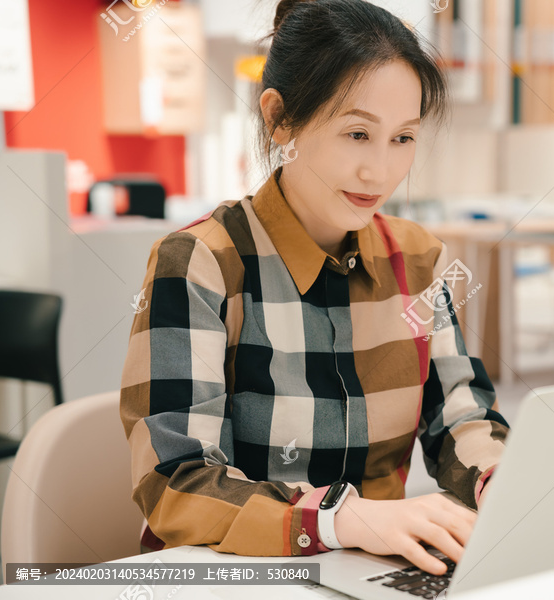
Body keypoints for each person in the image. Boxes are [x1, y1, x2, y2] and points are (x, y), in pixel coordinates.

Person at [119, 0, 509, 577]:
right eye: (357, 133)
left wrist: (497, 484)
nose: (379, 172)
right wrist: (337, 517)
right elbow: (176, 483)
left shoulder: (420, 262)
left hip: (374, 573)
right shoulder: (201, 263)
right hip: (238, 576)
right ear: (280, 118)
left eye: (403, 139)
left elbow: (461, 419)